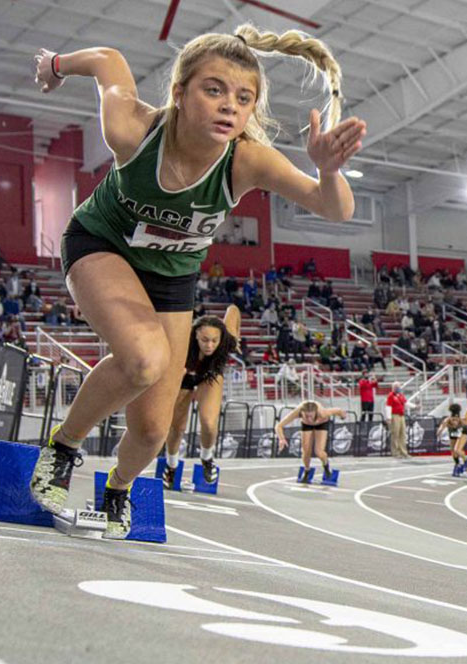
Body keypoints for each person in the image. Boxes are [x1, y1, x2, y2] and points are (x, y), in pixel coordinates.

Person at [27, 25, 366, 538]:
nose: (230, 106)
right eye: (214, 89)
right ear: (180, 94)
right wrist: (56, 65)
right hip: (103, 246)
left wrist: (327, 171)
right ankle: (62, 449)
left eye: (243, 97)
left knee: (152, 430)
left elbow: (334, 209)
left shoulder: (247, 158)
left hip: (172, 279)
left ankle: (117, 490)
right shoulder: (133, 131)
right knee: (143, 359)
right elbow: (108, 59)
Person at [161, 306, 240, 488]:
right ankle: (171, 465)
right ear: (195, 335)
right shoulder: (182, 343)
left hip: (209, 376)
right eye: (205, 340)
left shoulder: (228, 340)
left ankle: (207, 458)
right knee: (176, 427)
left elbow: (233, 310)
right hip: (183, 376)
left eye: (214, 340)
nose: (210, 345)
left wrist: (239, 334)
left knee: (209, 422)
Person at [275, 400, 346, 482]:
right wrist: (281, 439)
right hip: (306, 426)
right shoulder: (297, 412)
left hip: (321, 424)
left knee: (319, 452)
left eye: (311, 416)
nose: (309, 418)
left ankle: (326, 466)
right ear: (302, 412)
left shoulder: (322, 413)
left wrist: (342, 416)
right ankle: (307, 469)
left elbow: (338, 410)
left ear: (315, 412)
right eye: (306, 416)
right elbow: (279, 426)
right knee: (305, 451)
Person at [437, 403, 467, 470]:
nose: (455, 422)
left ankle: (466, 460)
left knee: (457, 450)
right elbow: (441, 427)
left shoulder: (462, 421)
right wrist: (439, 432)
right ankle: (457, 464)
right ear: (451, 418)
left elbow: (466, 423)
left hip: (463, 433)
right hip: (453, 434)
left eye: (456, 419)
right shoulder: (447, 420)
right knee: (453, 451)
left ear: (458, 418)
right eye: (453, 420)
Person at [386, 382, 410, 458]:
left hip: (401, 415)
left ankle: (403, 452)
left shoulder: (401, 395)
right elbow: (388, 407)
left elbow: (406, 403)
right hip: (395, 415)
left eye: (399, 386)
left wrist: (415, 406)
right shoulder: (391, 396)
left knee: (402, 434)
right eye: (397, 386)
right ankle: (395, 452)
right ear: (393, 387)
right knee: (395, 434)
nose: (399, 388)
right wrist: (389, 417)